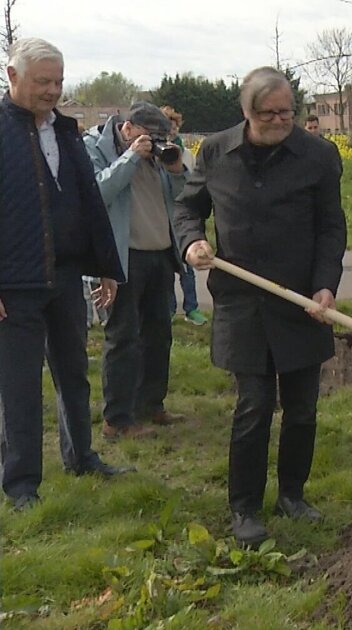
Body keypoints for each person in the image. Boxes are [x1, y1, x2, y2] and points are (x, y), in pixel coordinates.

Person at [174, 66, 347, 547]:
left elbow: (331, 227)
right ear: (247, 112)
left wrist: (325, 285)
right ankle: (244, 507)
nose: (280, 121)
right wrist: (191, 242)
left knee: (303, 408)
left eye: (287, 112)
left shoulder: (318, 156)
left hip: (301, 301)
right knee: (254, 405)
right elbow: (187, 208)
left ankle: (292, 494)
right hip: (242, 302)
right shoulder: (216, 152)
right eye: (269, 113)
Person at [1, 37, 130, 510]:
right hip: (14, 283)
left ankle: (81, 456)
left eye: (58, 81)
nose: (53, 91)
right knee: (19, 386)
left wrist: (105, 267)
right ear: (12, 76)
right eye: (43, 82)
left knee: (74, 371)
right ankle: (21, 484)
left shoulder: (67, 131)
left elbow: (89, 203)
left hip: (66, 275)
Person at [84, 102, 189, 439]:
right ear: (127, 128)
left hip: (160, 253)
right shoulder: (94, 147)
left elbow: (184, 198)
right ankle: (117, 420)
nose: (155, 143)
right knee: (123, 337)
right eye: (150, 136)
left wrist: (176, 169)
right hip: (121, 257)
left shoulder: (159, 155)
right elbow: (95, 194)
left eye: (161, 137)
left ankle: (151, 405)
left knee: (159, 335)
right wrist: (130, 157)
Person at [160, 106, 206, 326]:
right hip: (161, 218)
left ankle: (192, 308)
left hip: (179, 218)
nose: (171, 131)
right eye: (167, 127)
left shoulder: (186, 154)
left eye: (174, 126)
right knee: (166, 269)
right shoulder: (154, 152)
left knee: (187, 267)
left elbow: (192, 186)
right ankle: (169, 309)